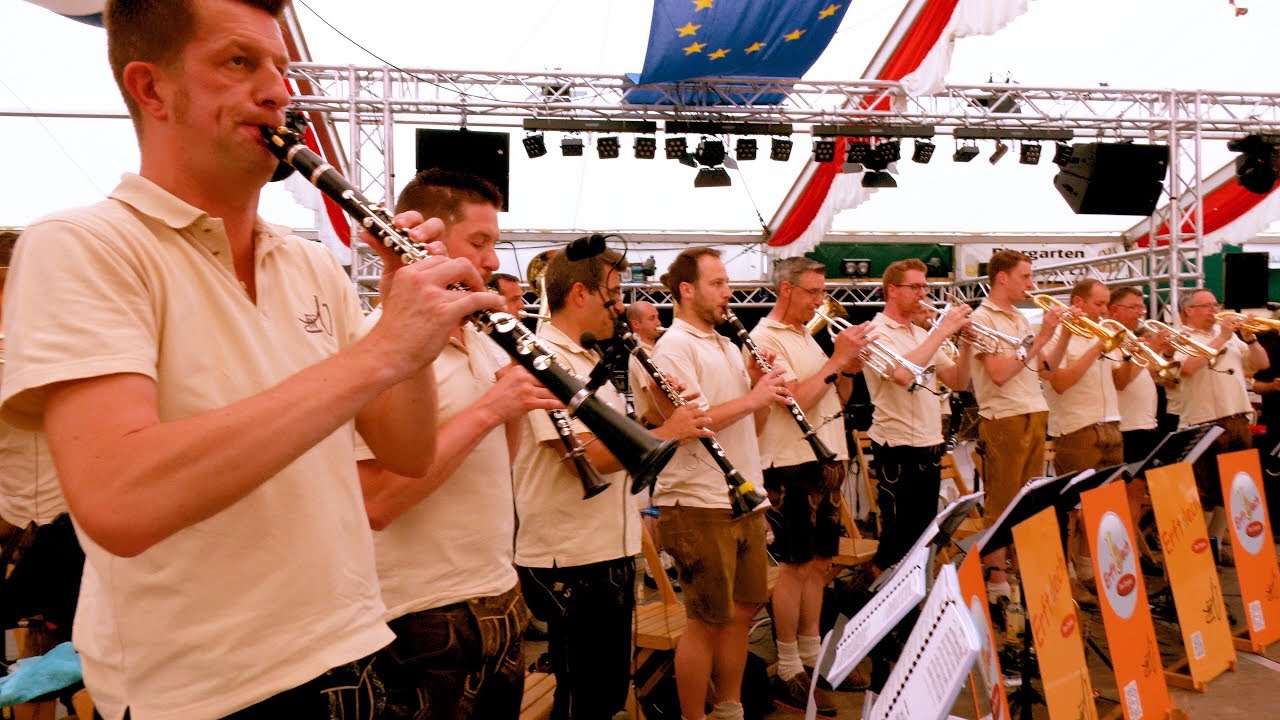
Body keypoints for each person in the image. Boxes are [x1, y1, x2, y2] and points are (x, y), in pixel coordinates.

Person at [0, 2, 498, 718]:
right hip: (204, 692)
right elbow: (120, 497)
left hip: (351, 650)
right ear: (151, 89)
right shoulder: (81, 245)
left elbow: (408, 451)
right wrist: (380, 350)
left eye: (280, 69)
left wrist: (404, 325)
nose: (277, 91)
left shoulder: (311, 264)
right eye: (239, 63)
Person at [356, 170, 561, 719]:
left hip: (500, 594)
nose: (493, 261)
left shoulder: (482, 339)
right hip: (420, 614)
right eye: (480, 242)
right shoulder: (370, 343)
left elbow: (499, 465)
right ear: (427, 241)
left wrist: (514, 396)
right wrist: (489, 408)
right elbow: (377, 502)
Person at [513, 247, 710, 720]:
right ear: (580, 293)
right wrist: (669, 431)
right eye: (615, 294)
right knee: (584, 695)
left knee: (604, 692)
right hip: (572, 554)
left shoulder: (588, 356)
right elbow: (586, 454)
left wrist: (659, 406)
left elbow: (626, 433)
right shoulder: (540, 358)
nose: (621, 306)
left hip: (607, 545)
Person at [649, 247, 789, 720]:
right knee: (705, 621)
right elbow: (692, 422)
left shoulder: (728, 344)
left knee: (744, 612)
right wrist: (754, 395)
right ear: (686, 290)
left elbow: (755, 425)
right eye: (717, 284)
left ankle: (731, 709)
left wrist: (761, 388)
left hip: (744, 494)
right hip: (698, 500)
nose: (728, 293)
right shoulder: (673, 346)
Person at [748, 257, 868, 713]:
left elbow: (837, 396)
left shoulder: (806, 337)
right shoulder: (763, 339)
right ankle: (787, 666)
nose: (821, 301)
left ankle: (814, 657)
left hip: (825, 457)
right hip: (789, 463)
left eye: (823, 292)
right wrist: (837, 358)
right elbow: (794, 400)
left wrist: (849, 368)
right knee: (794, 569)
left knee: (819, 564)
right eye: (813, 293)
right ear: (786, 290)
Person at [968, 249, 1064, 601]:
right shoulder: (983, 318)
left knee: (1028, 503)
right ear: (1002, 278)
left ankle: (1021, 576)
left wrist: (1057, 334)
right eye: (1025, 276)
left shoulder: (1020, 319)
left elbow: (1038, 369)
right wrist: (1040, 338)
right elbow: (999, 374)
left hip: (1033, 410)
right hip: (1005, 416)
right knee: (1003, 503)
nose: (1032, 284)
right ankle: (996, 581)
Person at [864, 260, 971, 572]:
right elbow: (901, 373)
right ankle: (875, 608)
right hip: (897, 450)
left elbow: (958, 381)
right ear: (893, 291)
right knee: (896, 547)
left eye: (925, 286)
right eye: (915, 287)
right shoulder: (875, 331)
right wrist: (943, 331)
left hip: (928, 446)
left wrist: (965, 345)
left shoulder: (918, 333)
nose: (923, 294)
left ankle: (915, 611)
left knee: (924, 540)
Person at [1039, 279, 1125, 596]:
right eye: (1099, 304)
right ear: (1079, 303)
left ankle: (1090, 568)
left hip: (1111, 424)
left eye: (1106, 304)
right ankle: (1069, 575)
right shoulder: (1059, 338)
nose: (1105, 311)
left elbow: (1121, 381)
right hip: (1076, 428)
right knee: (1074, 509)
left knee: (1104, 505)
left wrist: (1142, 352)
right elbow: (1060, 382)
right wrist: (1096, 348)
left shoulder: (1102, 334)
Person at [1175, 288, 1269, 548]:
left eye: (1215, 305)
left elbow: (1261, 365)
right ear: (1188, 311)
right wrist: (1223, 337)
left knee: (1233, 491)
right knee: (1205, 489)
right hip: (1204, 420)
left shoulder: (1227, 336)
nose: (1214, 310)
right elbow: (1187, 368)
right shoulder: (1180, 336)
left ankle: (1216, 543)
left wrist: (1249, 339)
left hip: (1237, 417)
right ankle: (1198, 548)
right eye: (1206, 306)